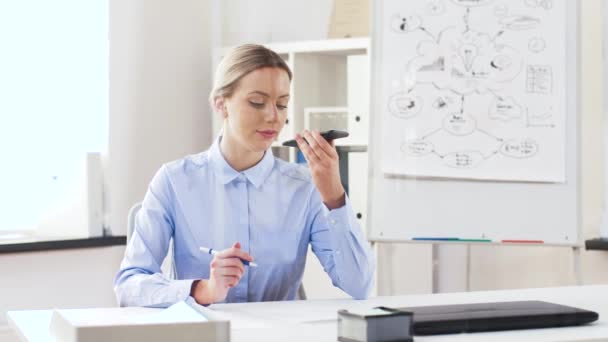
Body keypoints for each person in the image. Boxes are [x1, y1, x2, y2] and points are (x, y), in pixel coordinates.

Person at [114, 44, 375, 307]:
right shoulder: (174, 181)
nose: (275, 117)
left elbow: (359, 285)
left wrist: (334, 196)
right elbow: (129, 285)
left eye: (282, 104)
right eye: (257, 103)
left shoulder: (305, 187)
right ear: (221, 104)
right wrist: (203, 289)